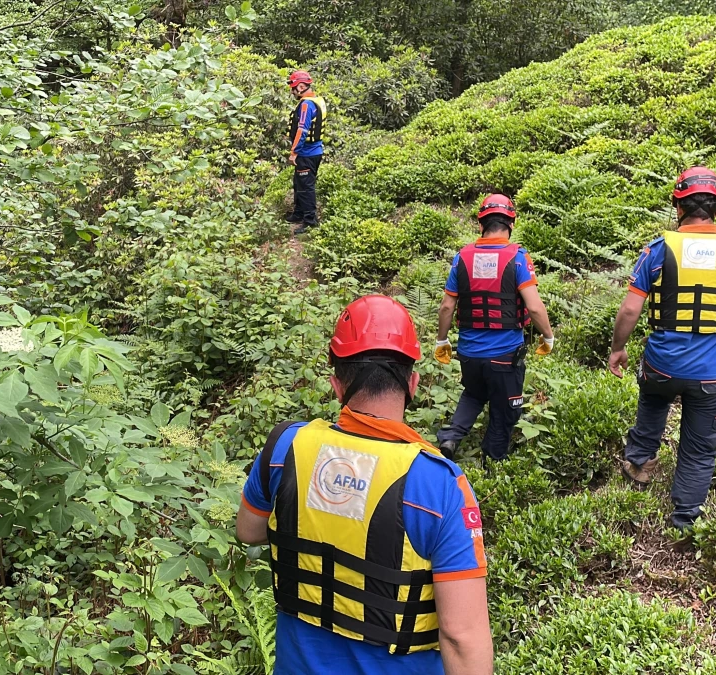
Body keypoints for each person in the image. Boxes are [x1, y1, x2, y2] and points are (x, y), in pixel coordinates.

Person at [235, 295, 494, 675]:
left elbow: (248, 529)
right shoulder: (438, 486)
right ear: (414, 383)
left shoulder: (285, 447)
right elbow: (461, 636)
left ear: (337, 385)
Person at [608, 167, 716, 530]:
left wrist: (617, 349)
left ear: (677, 207)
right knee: (701, 446)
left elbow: (629, 309)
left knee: (653, 399)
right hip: (714, 373)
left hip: (661, 365)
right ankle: (685, 518)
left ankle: (639, 463)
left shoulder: (657, 249)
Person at [434, 194, 555, 462]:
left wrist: (442, 341)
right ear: (511, 223)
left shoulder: (462, 257)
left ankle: (452, 437)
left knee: (474, 393)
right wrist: (548, 336)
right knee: (506, 411)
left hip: (468, 353)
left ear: (481, 224)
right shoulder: (518, 257)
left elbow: (446, 307)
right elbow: (534, 307)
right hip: (504, 356)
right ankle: (493, 462)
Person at [286, 70, 326, 236]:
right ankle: (298, 214)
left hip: (307, 153)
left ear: (301, 86)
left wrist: (293, 152)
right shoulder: (317, 100)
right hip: (314, 151)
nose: (292, 92)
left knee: (306, 187)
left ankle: (310, 222)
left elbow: (302, 130)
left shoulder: (306, 104)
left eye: (293, 88)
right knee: (299, 184)